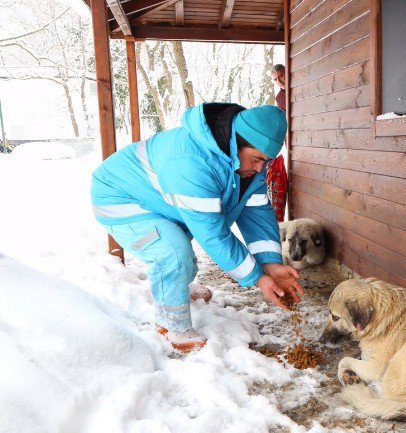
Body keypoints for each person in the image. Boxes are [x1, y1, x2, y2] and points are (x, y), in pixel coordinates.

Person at [91, 103, 304, 353]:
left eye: (265, 162)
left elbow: (256, 213)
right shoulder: (191, 161)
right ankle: (172, 326)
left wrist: (271, 263)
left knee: (181, 256)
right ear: (237, 142)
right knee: (172, 252)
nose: (260, 169)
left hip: (158, 198)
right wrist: (257, 277)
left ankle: (177, 288)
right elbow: (212, 233)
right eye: (256, 160)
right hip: (121, 198)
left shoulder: (246, 164)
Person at [267, 64, 288, 222]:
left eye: (281, 76)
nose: (280, 80)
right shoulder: (280, 98)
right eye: (276, 79)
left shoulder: (296, 87)